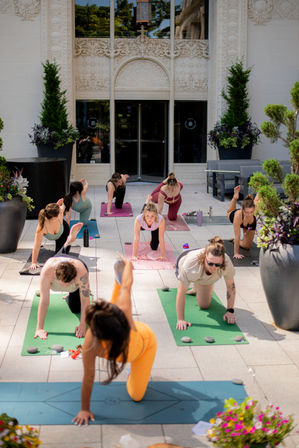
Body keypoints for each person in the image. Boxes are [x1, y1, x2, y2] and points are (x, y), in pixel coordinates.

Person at [72, 255, 157, 425]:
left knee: (136, 396)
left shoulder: (123, 311)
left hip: (143, 344)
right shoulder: (91, 343)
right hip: (115, 332)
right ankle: (116, 283)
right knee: (115, 305)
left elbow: (128, 284)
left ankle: (116, 281)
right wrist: (84, 408)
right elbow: (88, 376)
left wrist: (128, 265)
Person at [34, 222, 91, 340]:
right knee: (61, 254)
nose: (66, 286)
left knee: (76, 308)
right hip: (57, 261)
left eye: (69, 283)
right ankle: (69, 240)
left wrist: (83, 325)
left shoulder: (82, 273)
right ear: (55, 274)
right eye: (64, 284)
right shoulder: (47, 271)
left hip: (75, 266)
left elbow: (85, 301)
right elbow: (44, 302)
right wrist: (39, 328)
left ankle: (69, 240)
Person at [175, 237, 236, 330]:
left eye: (217, 265)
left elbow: (231, 286)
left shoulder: (227, 263)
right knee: (191, 277)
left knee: (204, 306)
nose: (213, 267)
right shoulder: (190, 265)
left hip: (203, 276)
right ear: (204, 258)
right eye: (210, 263)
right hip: (185, 259)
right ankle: (187, 251)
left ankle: (197, 287)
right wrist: (180, 319)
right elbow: (180, 292)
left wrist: (230, 311)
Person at [29, 200, 70, 271]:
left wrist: (58, 204)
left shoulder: (60, 213)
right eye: (59, 212)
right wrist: (33, 262)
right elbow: (36, 246)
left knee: (61, 257)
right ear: (54, 217)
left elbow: (63, 206)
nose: (61, 212)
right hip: (53, 227)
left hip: (63, 233)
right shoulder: (42, 227)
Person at [227, 186, 257, 259]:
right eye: (247, 212)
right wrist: (236, 253)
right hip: (234, 216)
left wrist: (247, 231)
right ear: (242, 210)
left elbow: (260, 196)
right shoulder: (238, 215)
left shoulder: (254, 212)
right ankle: (235, 197)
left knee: (247, 246)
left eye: (251, 212)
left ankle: (234, 241)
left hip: (248, 224)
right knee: (229, 211)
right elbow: (237, 236)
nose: (249, 214)